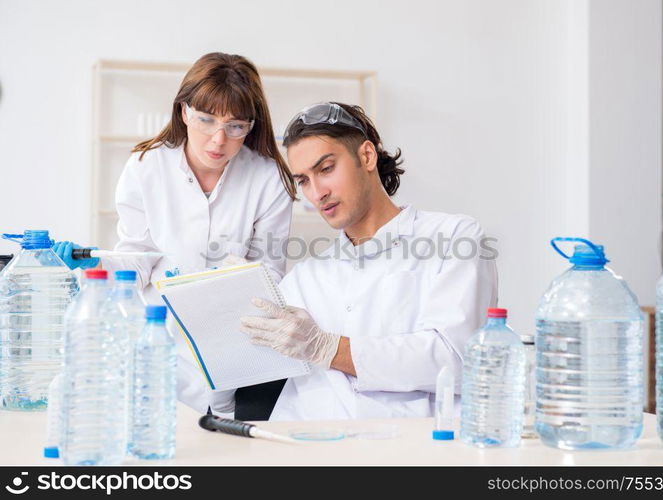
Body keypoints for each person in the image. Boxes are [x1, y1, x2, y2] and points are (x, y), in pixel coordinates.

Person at [53, 53, 296, 416]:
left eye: (235, 126)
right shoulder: (145, 166)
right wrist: (93, 264)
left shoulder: (268, 178)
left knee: (218, 445)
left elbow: (270, 274)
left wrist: (231, 283)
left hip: (231, 342)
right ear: (183, 111)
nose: (218, 140)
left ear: (251, 125)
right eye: (205, 119)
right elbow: (137, 257)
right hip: (157, 336)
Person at [238, 102, 498, 420]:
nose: (317, 192)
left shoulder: (454, 238)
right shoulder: (306, 278)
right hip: (307, 452)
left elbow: (457, 362)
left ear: (366, 156)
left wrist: (328, 348)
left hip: (413, 454)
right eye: (303, 180)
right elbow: (245, 366)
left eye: (326, 168)